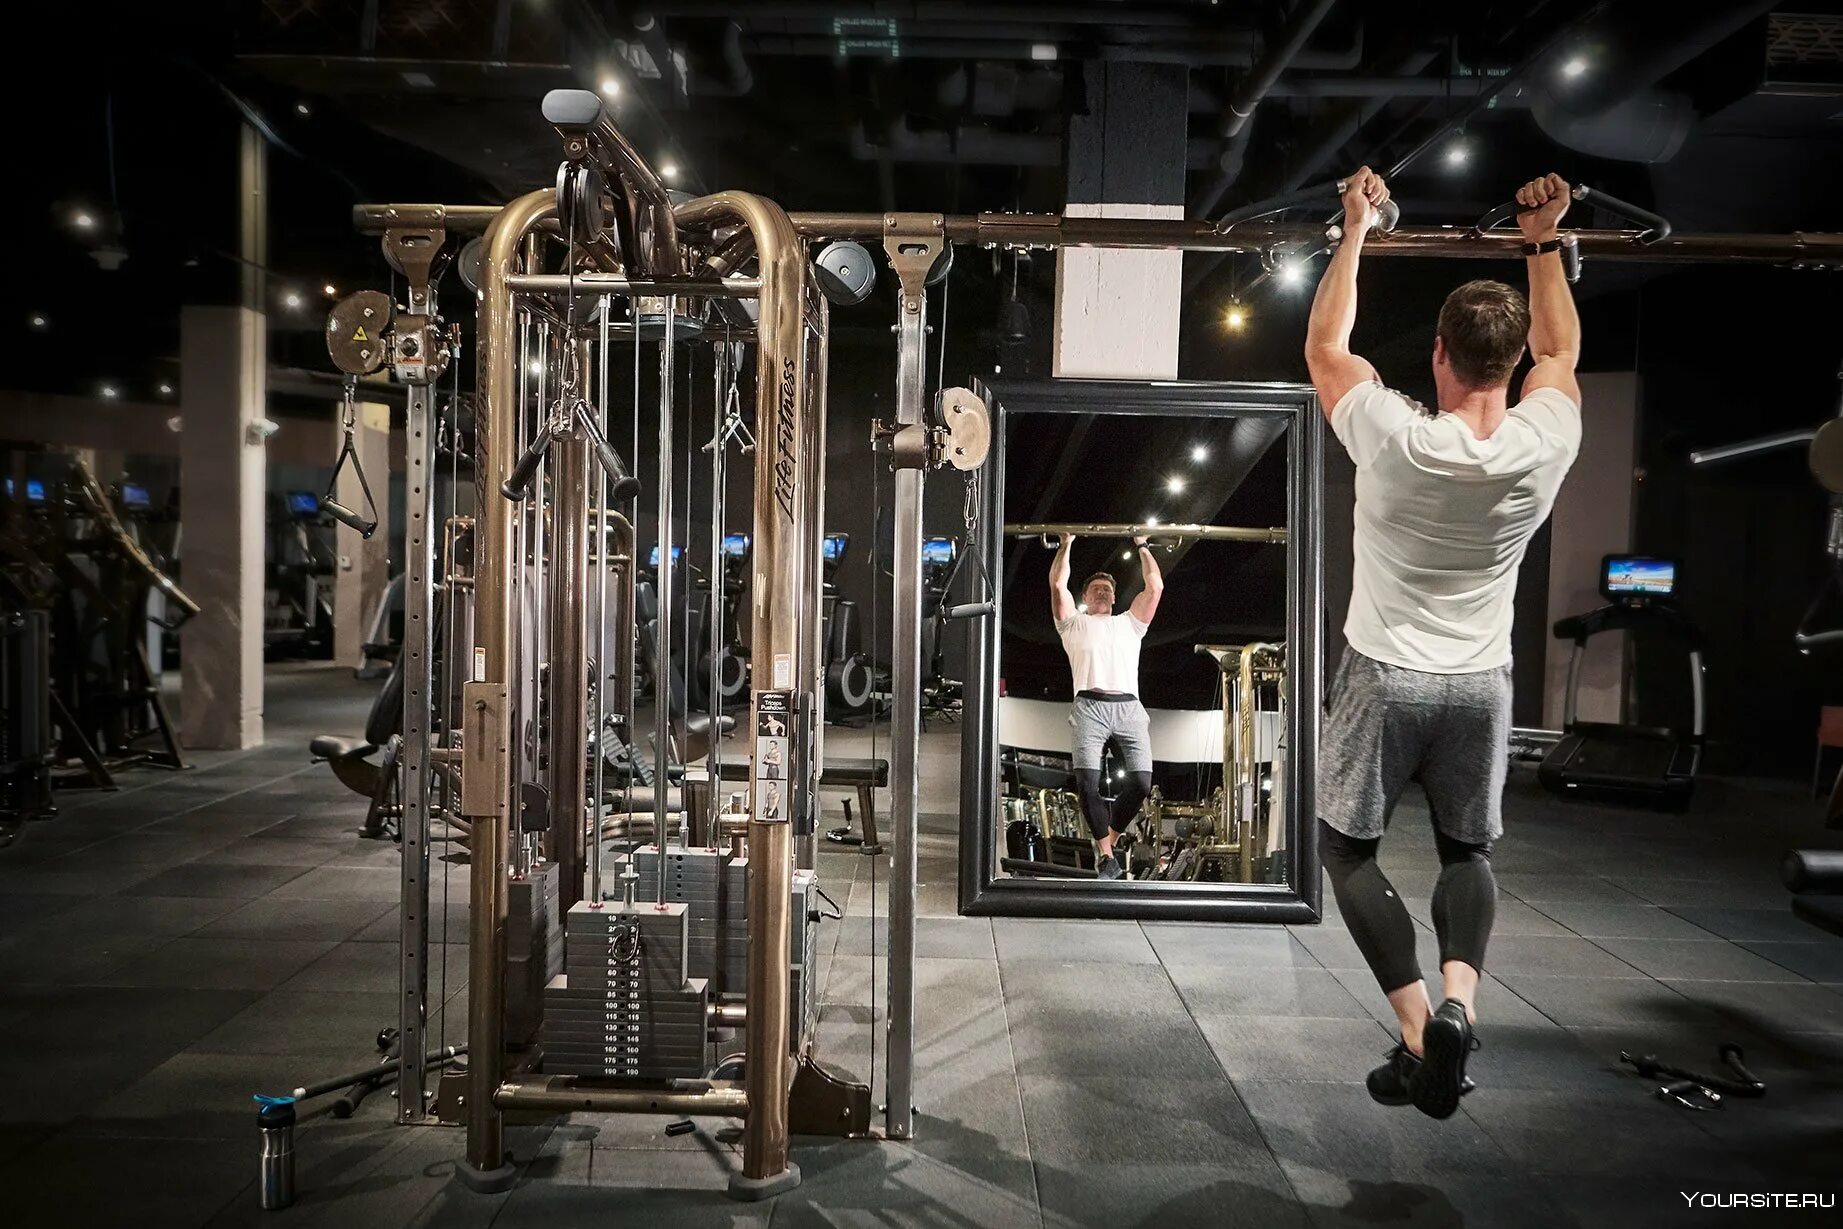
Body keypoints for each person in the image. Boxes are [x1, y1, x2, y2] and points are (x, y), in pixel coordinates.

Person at [1303, 168, 1583, 1118]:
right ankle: (1461, 998)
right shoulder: (1544, 441)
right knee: (1467, 853)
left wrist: (1355, 230)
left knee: (1345, 851)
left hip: (1385, 676)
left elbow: (1326, 345)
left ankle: (1421, 1027)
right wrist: (1540, 239)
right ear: (1510, 363)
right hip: (1480, 683)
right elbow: (1561, 347)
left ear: (1437, 354)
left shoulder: (1396, 436)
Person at [1049, 532, 1164, 880]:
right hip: (1089, 706)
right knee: (1087, 782)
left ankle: (1109, 842)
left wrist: (1142, 544)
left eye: (1107, 589)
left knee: (1141, 783)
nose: (1102, 592)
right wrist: (1066, 542)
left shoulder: (1130, 623)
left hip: (1129, 707)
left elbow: (1155, 586)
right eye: (1096, 588)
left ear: (1115, 597)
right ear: (1084, 597)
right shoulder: (1072, 624)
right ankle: (1106, 856)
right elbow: (1057, 584)